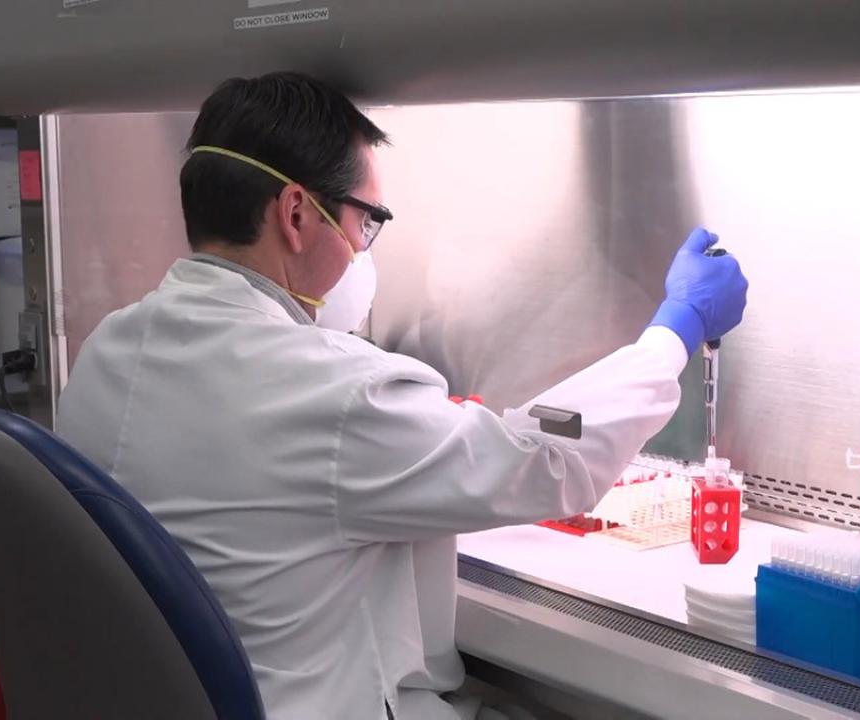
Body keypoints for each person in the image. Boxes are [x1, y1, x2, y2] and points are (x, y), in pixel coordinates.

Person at [57, 72, 749, 720]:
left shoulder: (104, 354)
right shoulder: (334, 391)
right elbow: (546, 459)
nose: (363, 250)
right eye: (364, 222)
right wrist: (674, 331)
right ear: (295, 213)